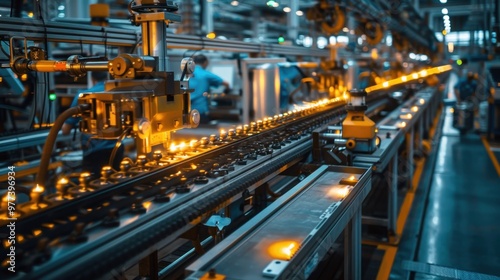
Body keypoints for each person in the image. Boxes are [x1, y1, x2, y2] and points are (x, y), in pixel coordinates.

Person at [62, 71, 124, 176]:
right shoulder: (117, 93)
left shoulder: (82, 96)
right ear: (108, 76)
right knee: (115, 181)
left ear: (92, 79)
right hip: (116, 149)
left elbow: (65, 130)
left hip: (94, 151)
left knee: (93, 185)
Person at [189, 54, 231, 124]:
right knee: (203, 132)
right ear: (205, 62)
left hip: (187, 111)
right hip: (200, 111)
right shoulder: (205, 74)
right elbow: (226, 83)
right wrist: (227, 91)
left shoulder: (187, 74)